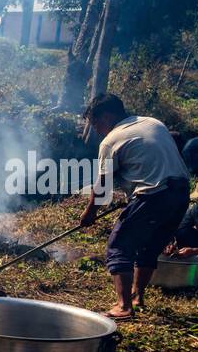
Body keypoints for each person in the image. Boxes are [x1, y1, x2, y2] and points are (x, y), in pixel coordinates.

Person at [78, 94, 190, 320]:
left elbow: (103, 185)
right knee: (149, 247)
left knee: (119, 246)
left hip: (154, 196)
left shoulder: (111, 140)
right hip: (181, 193)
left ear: (107, 117)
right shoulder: (153, 122)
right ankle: (137, 296)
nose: (98, 131)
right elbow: (151, 161)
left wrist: (90, 213)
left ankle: (123, 306)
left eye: (97, 124)